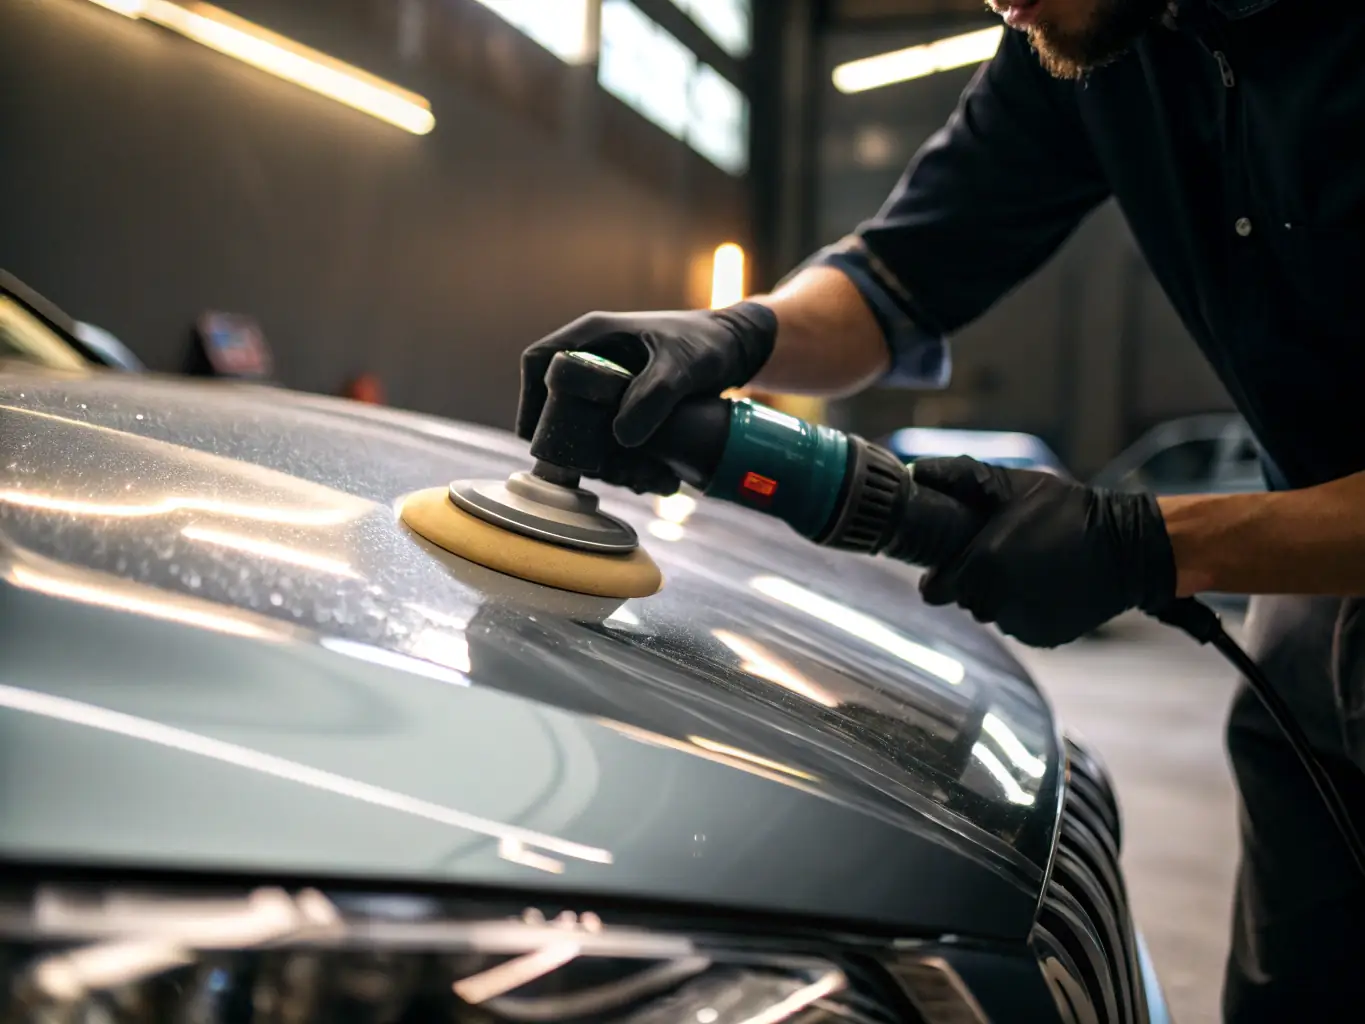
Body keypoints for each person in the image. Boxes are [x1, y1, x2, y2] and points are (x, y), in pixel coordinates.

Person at [516, 1, 1365, 1019]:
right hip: (1310, 633)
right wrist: (738, 334)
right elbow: (892, 282)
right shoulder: (1092, 42)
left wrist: (1152, 543)